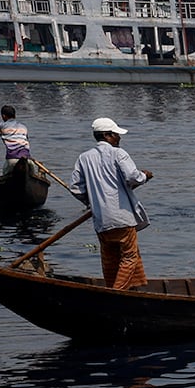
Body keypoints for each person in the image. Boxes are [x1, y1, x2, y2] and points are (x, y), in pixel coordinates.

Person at [70, 117, 152, 290]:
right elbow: (132, 177)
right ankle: (116, 293)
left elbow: (76, 188)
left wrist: (92, 200)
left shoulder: (84, 158)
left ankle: (125, 289)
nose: (119, 138)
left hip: (101, 219)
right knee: (130, 257)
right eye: (116, 135)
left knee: (110, 258)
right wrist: (145, 176)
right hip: (122, 217)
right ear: (107, 135)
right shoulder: (118, 153)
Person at [0, 105, 29, 170]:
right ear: (15, 115)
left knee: (6, 171)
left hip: (12, 158)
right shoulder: (23, 127)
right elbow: (25, 139)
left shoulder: (1, 125)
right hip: (27, 159)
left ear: (3, 116)